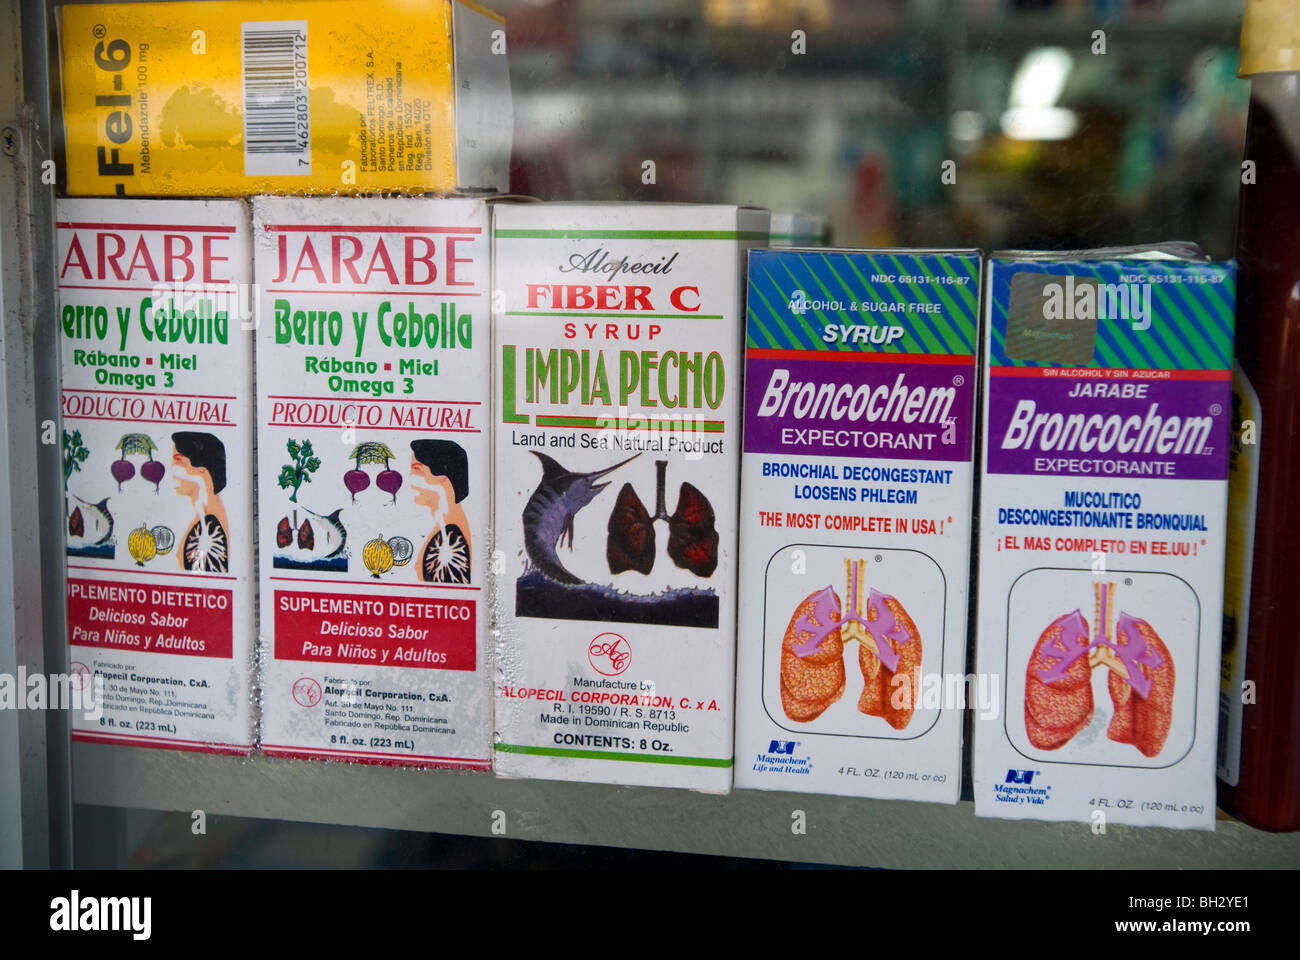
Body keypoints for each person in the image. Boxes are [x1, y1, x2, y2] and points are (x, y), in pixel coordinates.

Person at [410, 439, 470, 584]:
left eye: (416, 469)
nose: (411, 479)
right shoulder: (446, 528)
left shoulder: (450, 540)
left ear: (442, 477)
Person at [172, 431, 229, 573]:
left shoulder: (210, 529)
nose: (172, 469)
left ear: (202, 468)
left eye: (178, 461)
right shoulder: (204, 517)